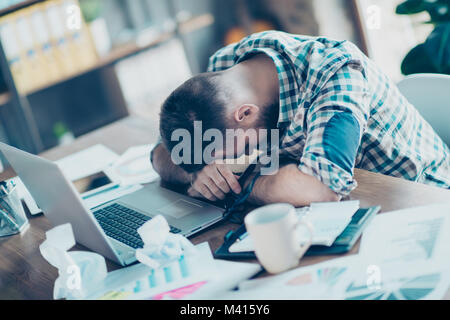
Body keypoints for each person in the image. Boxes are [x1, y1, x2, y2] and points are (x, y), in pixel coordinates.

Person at [151, 31, 450, 207]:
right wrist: (196, 173)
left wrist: (240, 181)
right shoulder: (224, 70)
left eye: (234, 154)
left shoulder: (336, 73)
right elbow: (160, 155)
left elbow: (320, 188)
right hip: (351, 204)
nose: (234, 161)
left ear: (245, 113)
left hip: (420, 200)